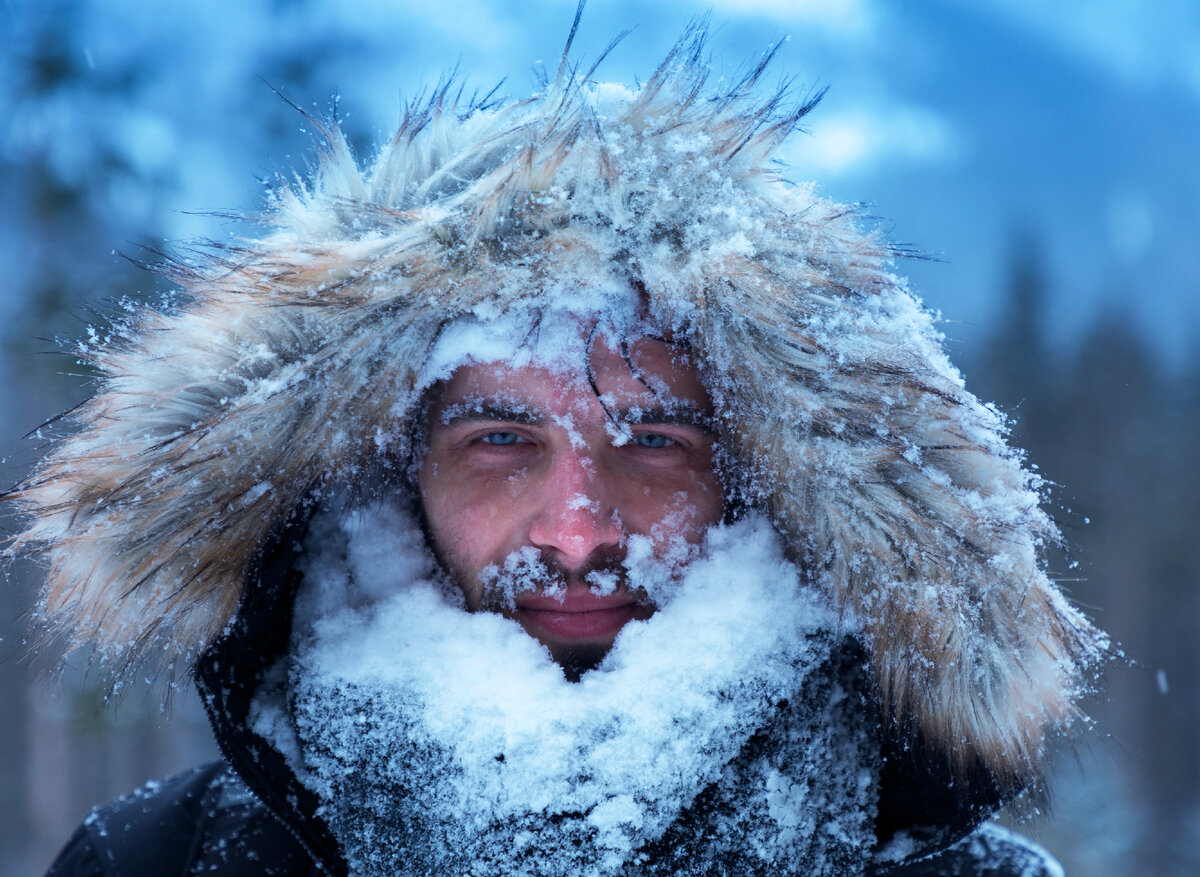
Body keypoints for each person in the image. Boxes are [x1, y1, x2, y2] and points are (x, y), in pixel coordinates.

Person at [7, 18, 1108, 877]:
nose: (579, 527)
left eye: (656, 440)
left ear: (766, 480)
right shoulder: (163, 864)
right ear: (392, 469)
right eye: (498, 439)